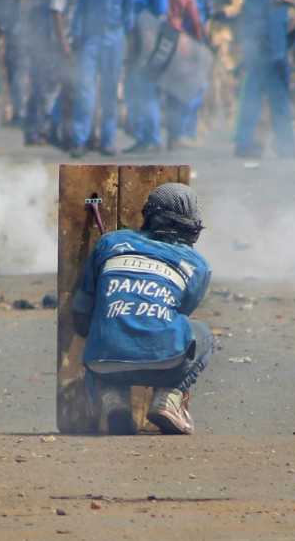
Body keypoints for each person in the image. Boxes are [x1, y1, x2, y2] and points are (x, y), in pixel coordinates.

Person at [72, 182, 213, 435]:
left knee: (102, 337)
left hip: (103, 363)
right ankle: (168, 400)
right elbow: (178, 315)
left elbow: (81, 314)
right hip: (166, 364)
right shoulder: (199, 265)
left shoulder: (109, 242)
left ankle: (112, 400)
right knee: (202, 334)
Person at [68, 0, 135, 158]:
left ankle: (107, 141)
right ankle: (80, 140)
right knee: (85, 89)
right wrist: (75, 34)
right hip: (91, 38)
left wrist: (128, 42)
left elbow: (129, 15)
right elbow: (80, 6)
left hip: (115, 38)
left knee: (109, 92)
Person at [234, 0, 295, 159]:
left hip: (257, 50)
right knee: (279, 101)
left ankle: (243, 142)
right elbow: (273, 23)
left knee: (251, 97)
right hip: (271, 52)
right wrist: (278, 54)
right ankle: (286, 145)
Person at [152, 0, 206, 152]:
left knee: (154, 90)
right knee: (178, 89)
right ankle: (176, 135)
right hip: (178, 42)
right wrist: (200, 43)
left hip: (152, 42)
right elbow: (195, 20)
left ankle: (154, 134)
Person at [123, 0, 169, 154]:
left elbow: (160, 19)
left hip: (148, 43)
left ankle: (153, 137)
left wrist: (149, 49)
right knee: (133, 90)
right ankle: (141, 136)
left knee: (147, 91)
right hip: (132, 42)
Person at [48, 0, 90, 149]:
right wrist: (63, 44)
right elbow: (57, 12)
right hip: (68, 42)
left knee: (75, 87)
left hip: (81, 41)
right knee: (68, 87)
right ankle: (58, 131)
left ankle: (61, 129)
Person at [23, 0, 64, 146]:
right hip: (41, 40)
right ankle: (36, 130)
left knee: (48, 88)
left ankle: (44, 129)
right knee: (41, 88)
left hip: (47, 40)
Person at [203, 0, 243, 127]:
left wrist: (224, 12)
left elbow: (237, 5)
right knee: (207, 79)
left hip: (224, 33)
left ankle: (230, 116)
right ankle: (207, 120)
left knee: (225, 76)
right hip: (205, 32)